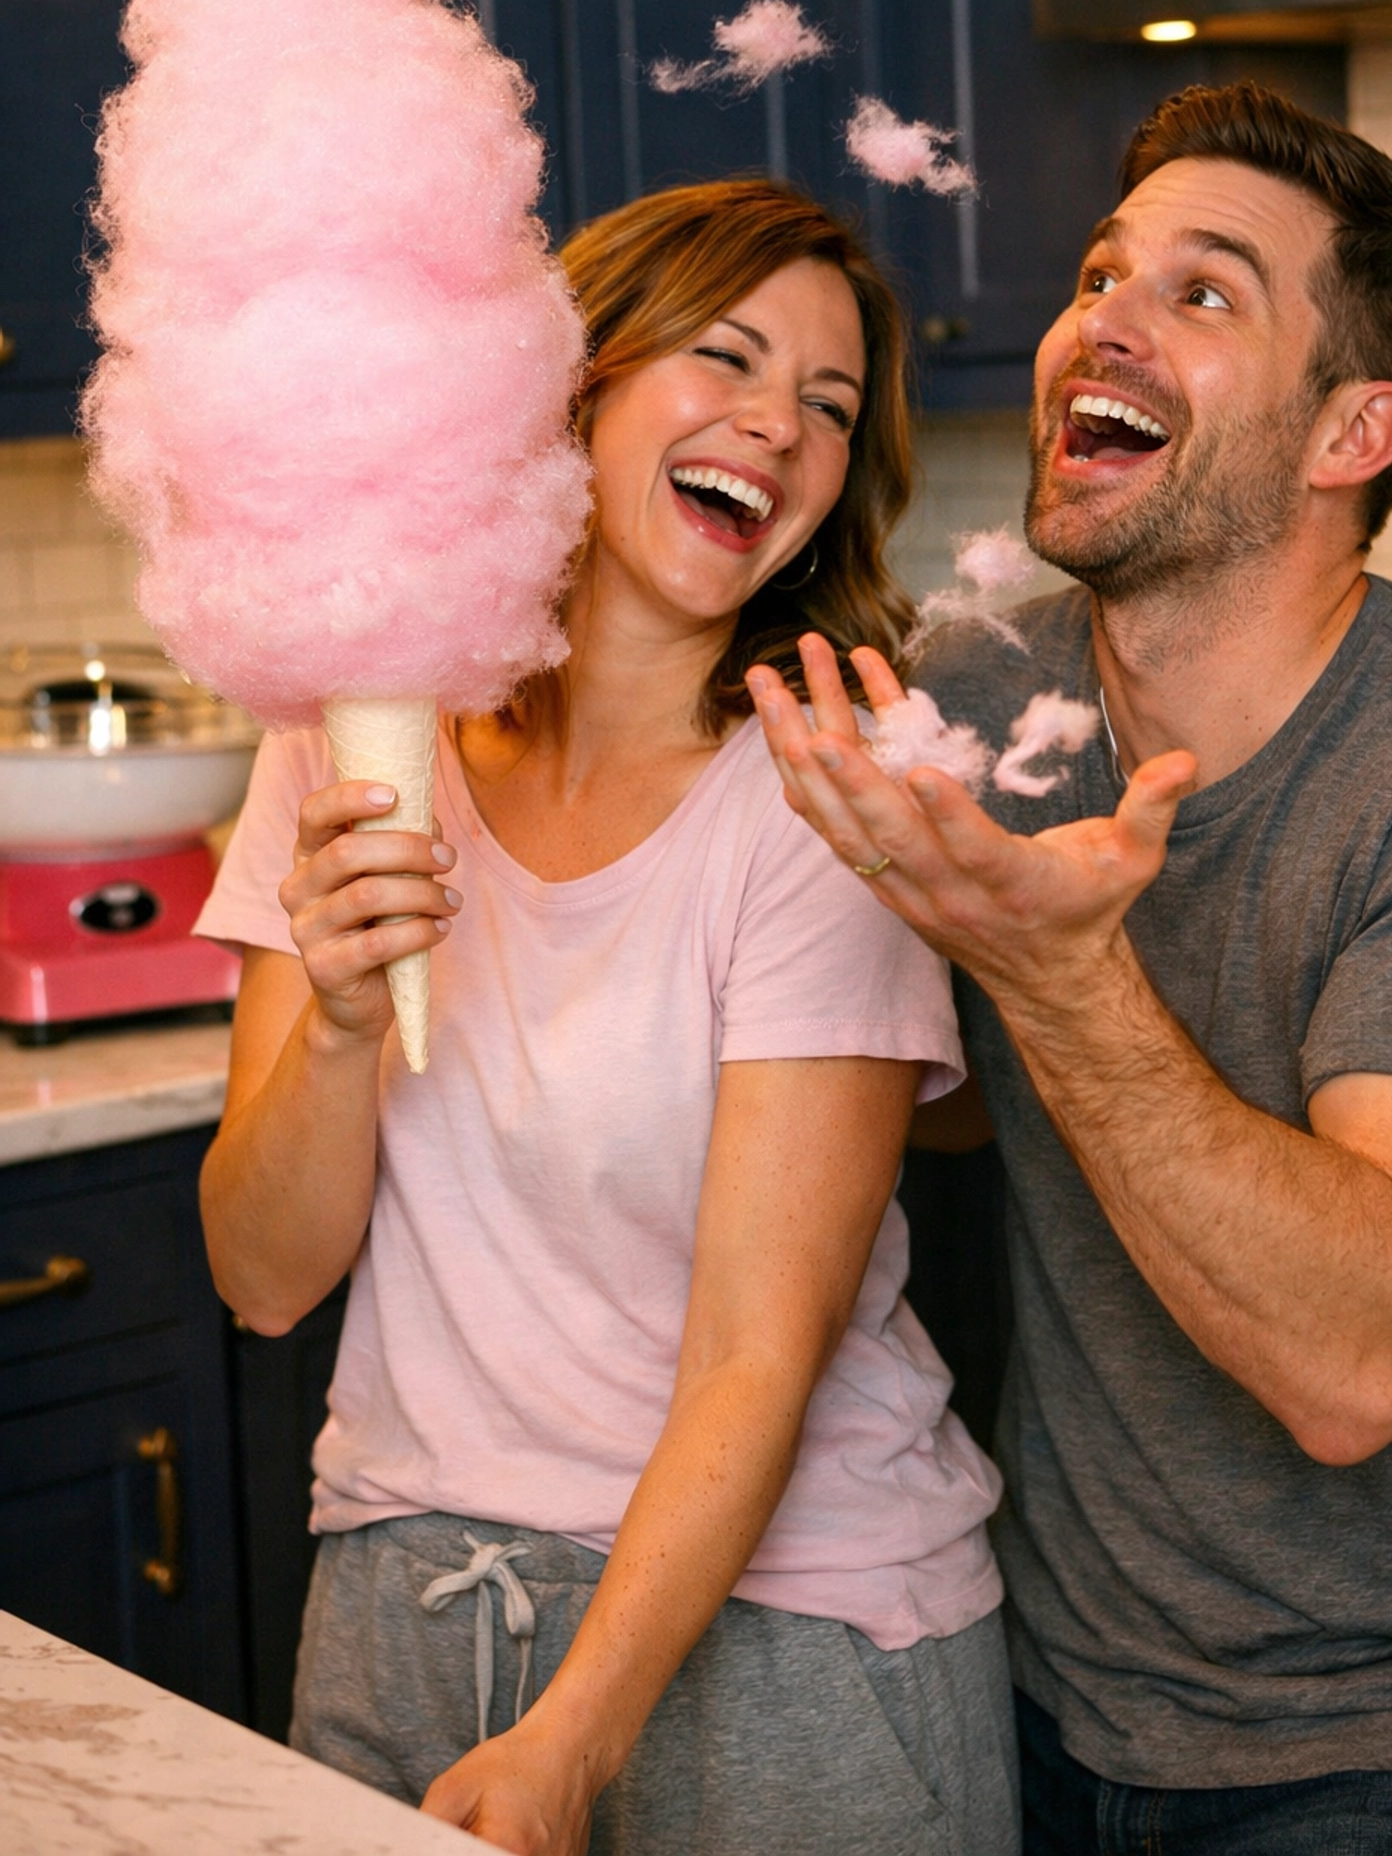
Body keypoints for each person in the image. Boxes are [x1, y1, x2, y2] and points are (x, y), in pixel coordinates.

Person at [747, 84, 1392, 1852]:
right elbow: (908, 1110)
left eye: (1204, 292)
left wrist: (1056, 976)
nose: (1100, 316)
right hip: (1030, 1681)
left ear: (1355, 433)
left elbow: (1368, 1365)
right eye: (1104, 271)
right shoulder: (972, 702)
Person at [195, 179, 1018, 1856]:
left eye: (833, 405)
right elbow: (264, 1277)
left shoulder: (820, 795)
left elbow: (753, 1359)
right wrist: (343, 1024)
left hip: (795, 1638)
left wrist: (574, 1736)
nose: (780, 427)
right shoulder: (354, 744)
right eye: (727, 356)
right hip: (403, 1595)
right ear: (567, 378)